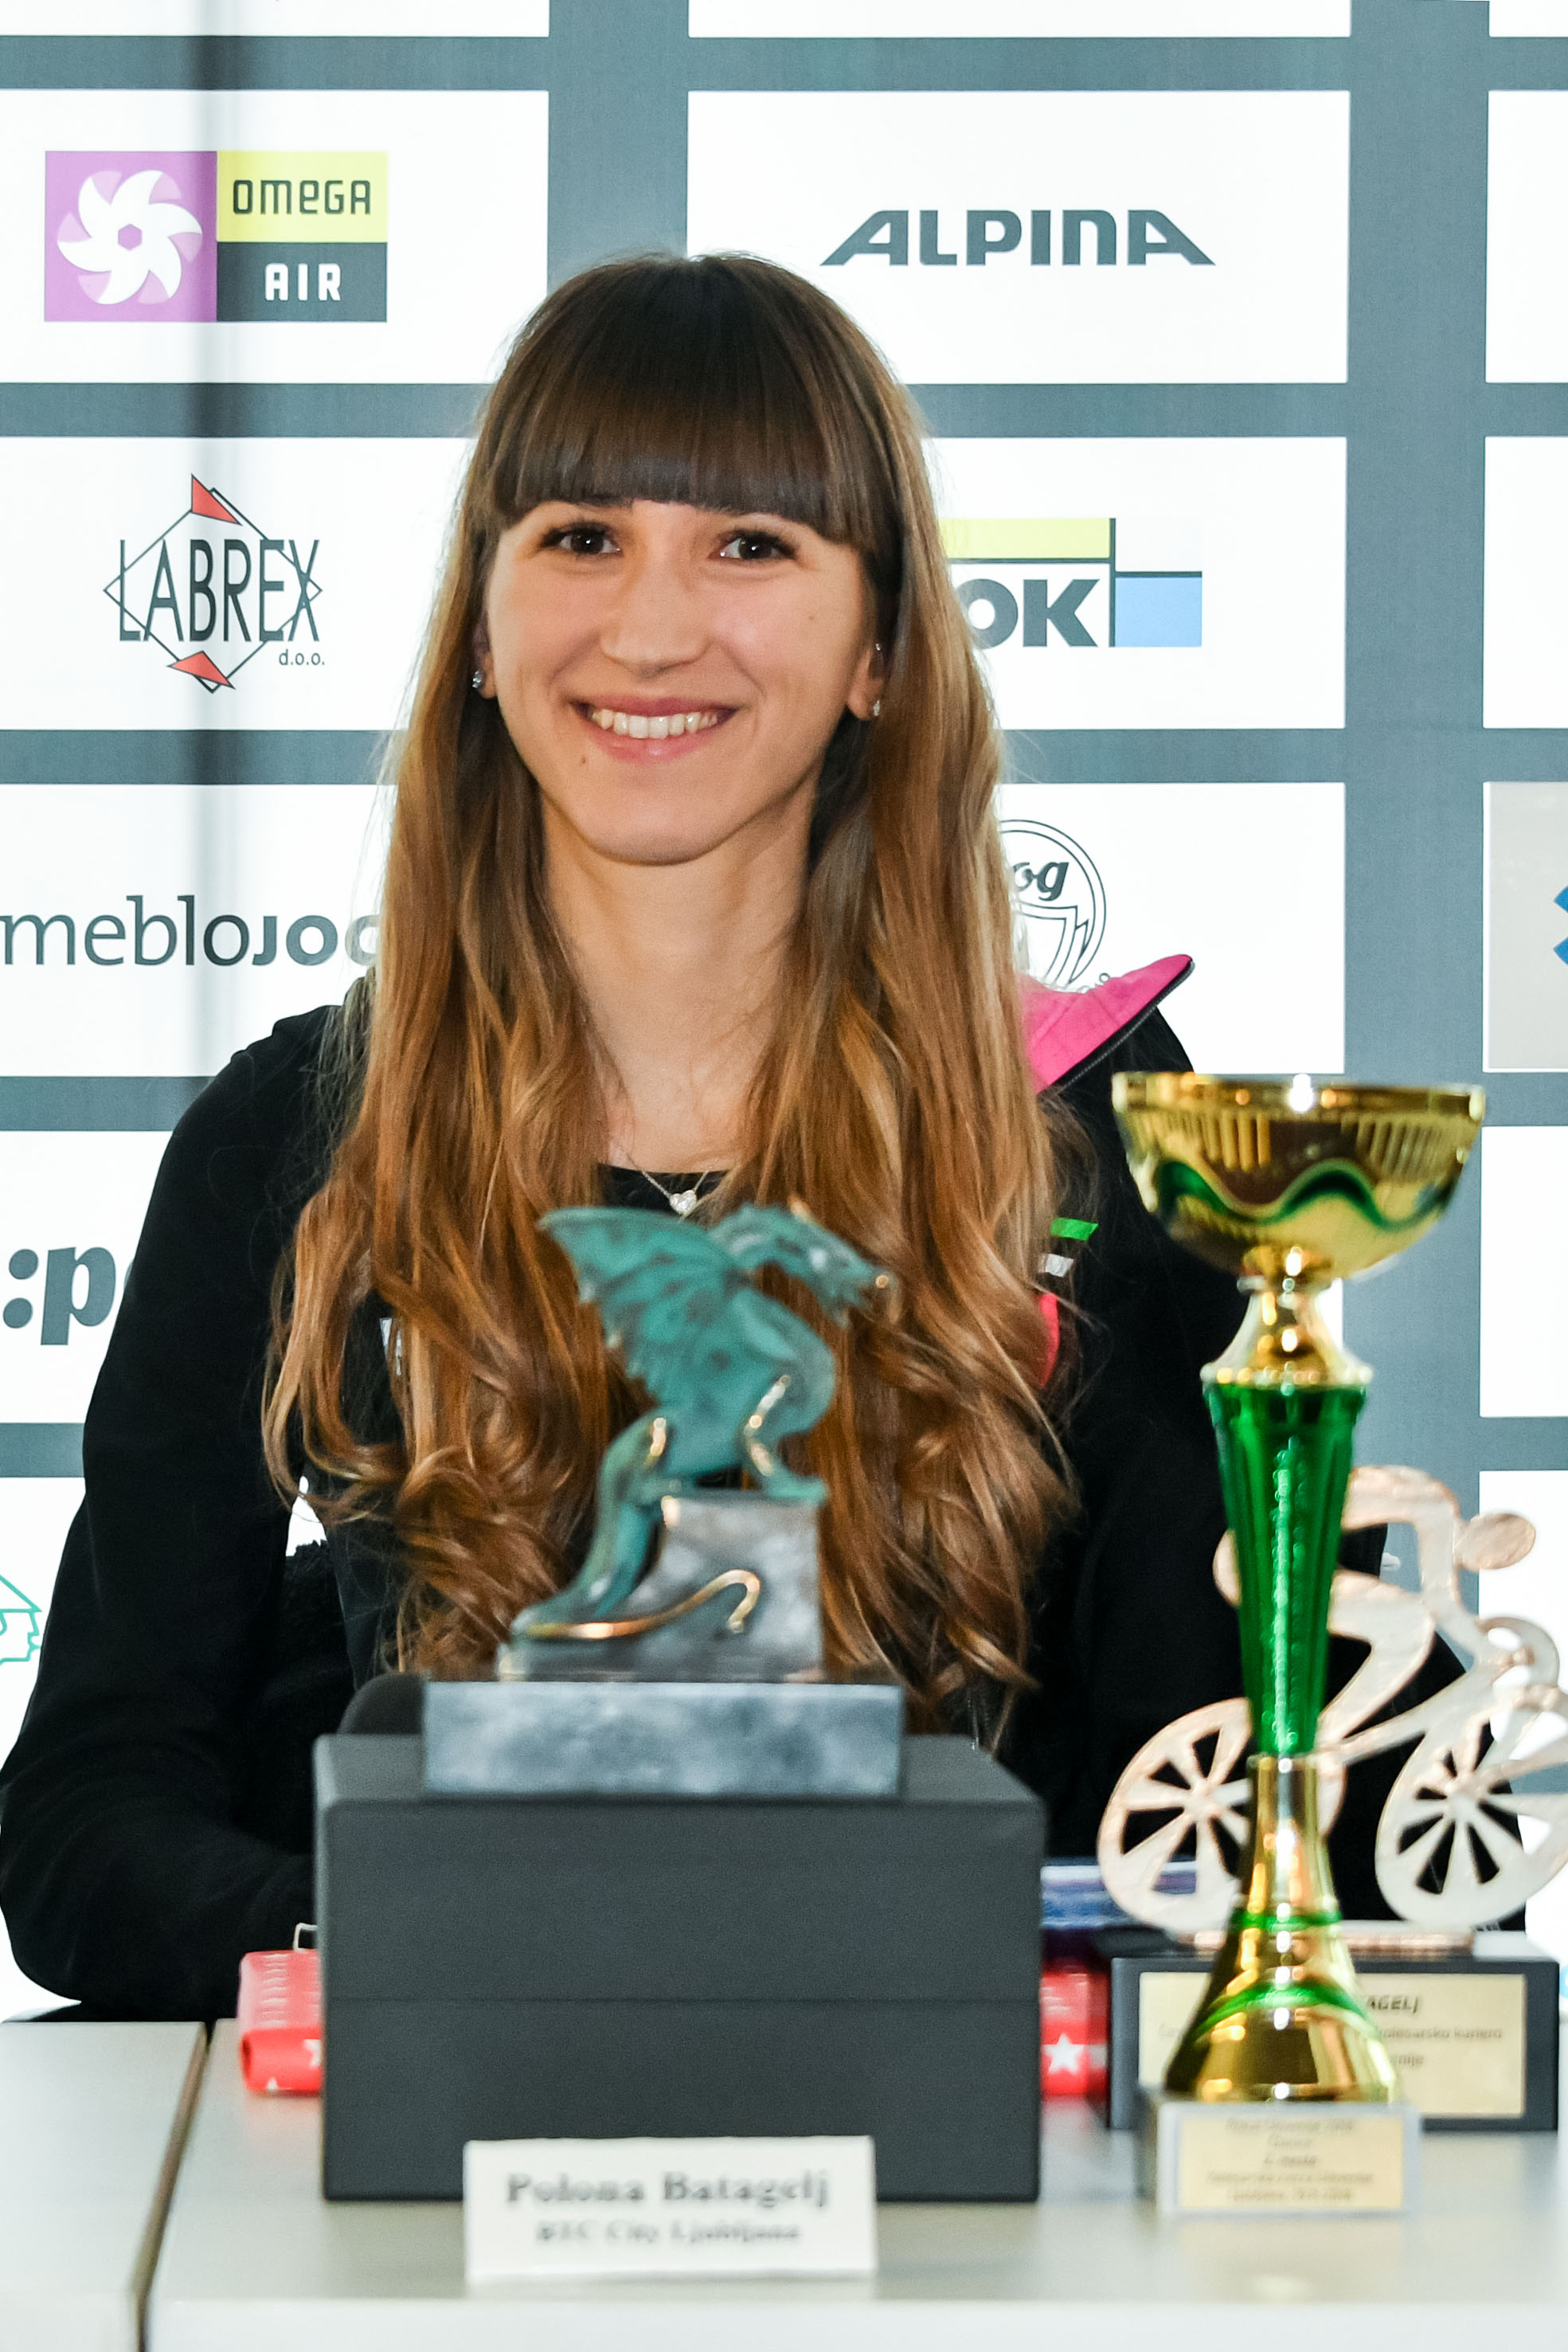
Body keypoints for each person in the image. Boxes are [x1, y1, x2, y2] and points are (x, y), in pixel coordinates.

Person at [0, 255, 1400, 2021]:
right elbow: (89, 1821)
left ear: (878, 647)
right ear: (482, 632)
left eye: (750, 544)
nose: (652, 630)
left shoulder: (1089, 1126)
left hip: (952, 2132)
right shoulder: (293, 1139)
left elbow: (1238, 1784)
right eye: (581, 536)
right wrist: (393, 1945)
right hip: (448, 2139)